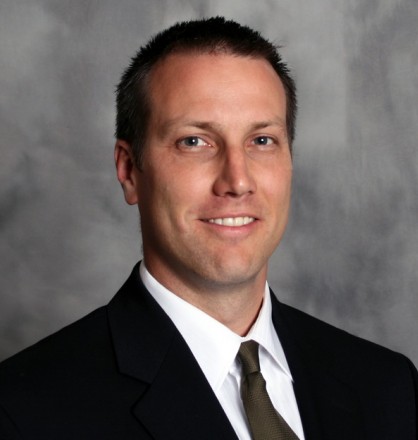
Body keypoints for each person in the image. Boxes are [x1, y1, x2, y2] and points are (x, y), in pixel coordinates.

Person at [0, 16, 416, 440]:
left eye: (262, 141)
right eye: (194, 141)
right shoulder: (24, 413)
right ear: (129, 171)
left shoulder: (388, 387)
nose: (237, 181)